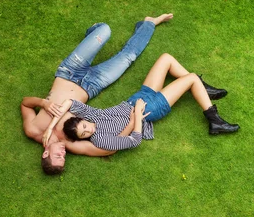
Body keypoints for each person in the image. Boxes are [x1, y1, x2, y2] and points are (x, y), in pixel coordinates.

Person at [21, 13, 173, 174]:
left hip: (69, 72)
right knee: (128, 57)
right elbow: (108, 150)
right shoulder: (71, 143)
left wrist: (43, 103)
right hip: (93, 85)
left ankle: (93, 33)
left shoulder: (32, 130)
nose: (63, 154)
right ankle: (149, 23)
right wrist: (131, 124)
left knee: (105, 30)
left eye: (58, 156)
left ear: (46, 153)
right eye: (63, 158)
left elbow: (25, 103)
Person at [42, 53, 239, 157]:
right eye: (84, 134)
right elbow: (134, 140)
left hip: (137, 97)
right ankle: (215, 121)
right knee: (191, 78)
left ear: (83, 119)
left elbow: (69, 102)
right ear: (83, 139)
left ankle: (200, 90)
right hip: (149, 108)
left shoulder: (91, 115)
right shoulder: (100, 140)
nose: (89, 130)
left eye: (84, 126)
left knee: (166, 58)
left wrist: (51, 127)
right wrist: (136, 116)